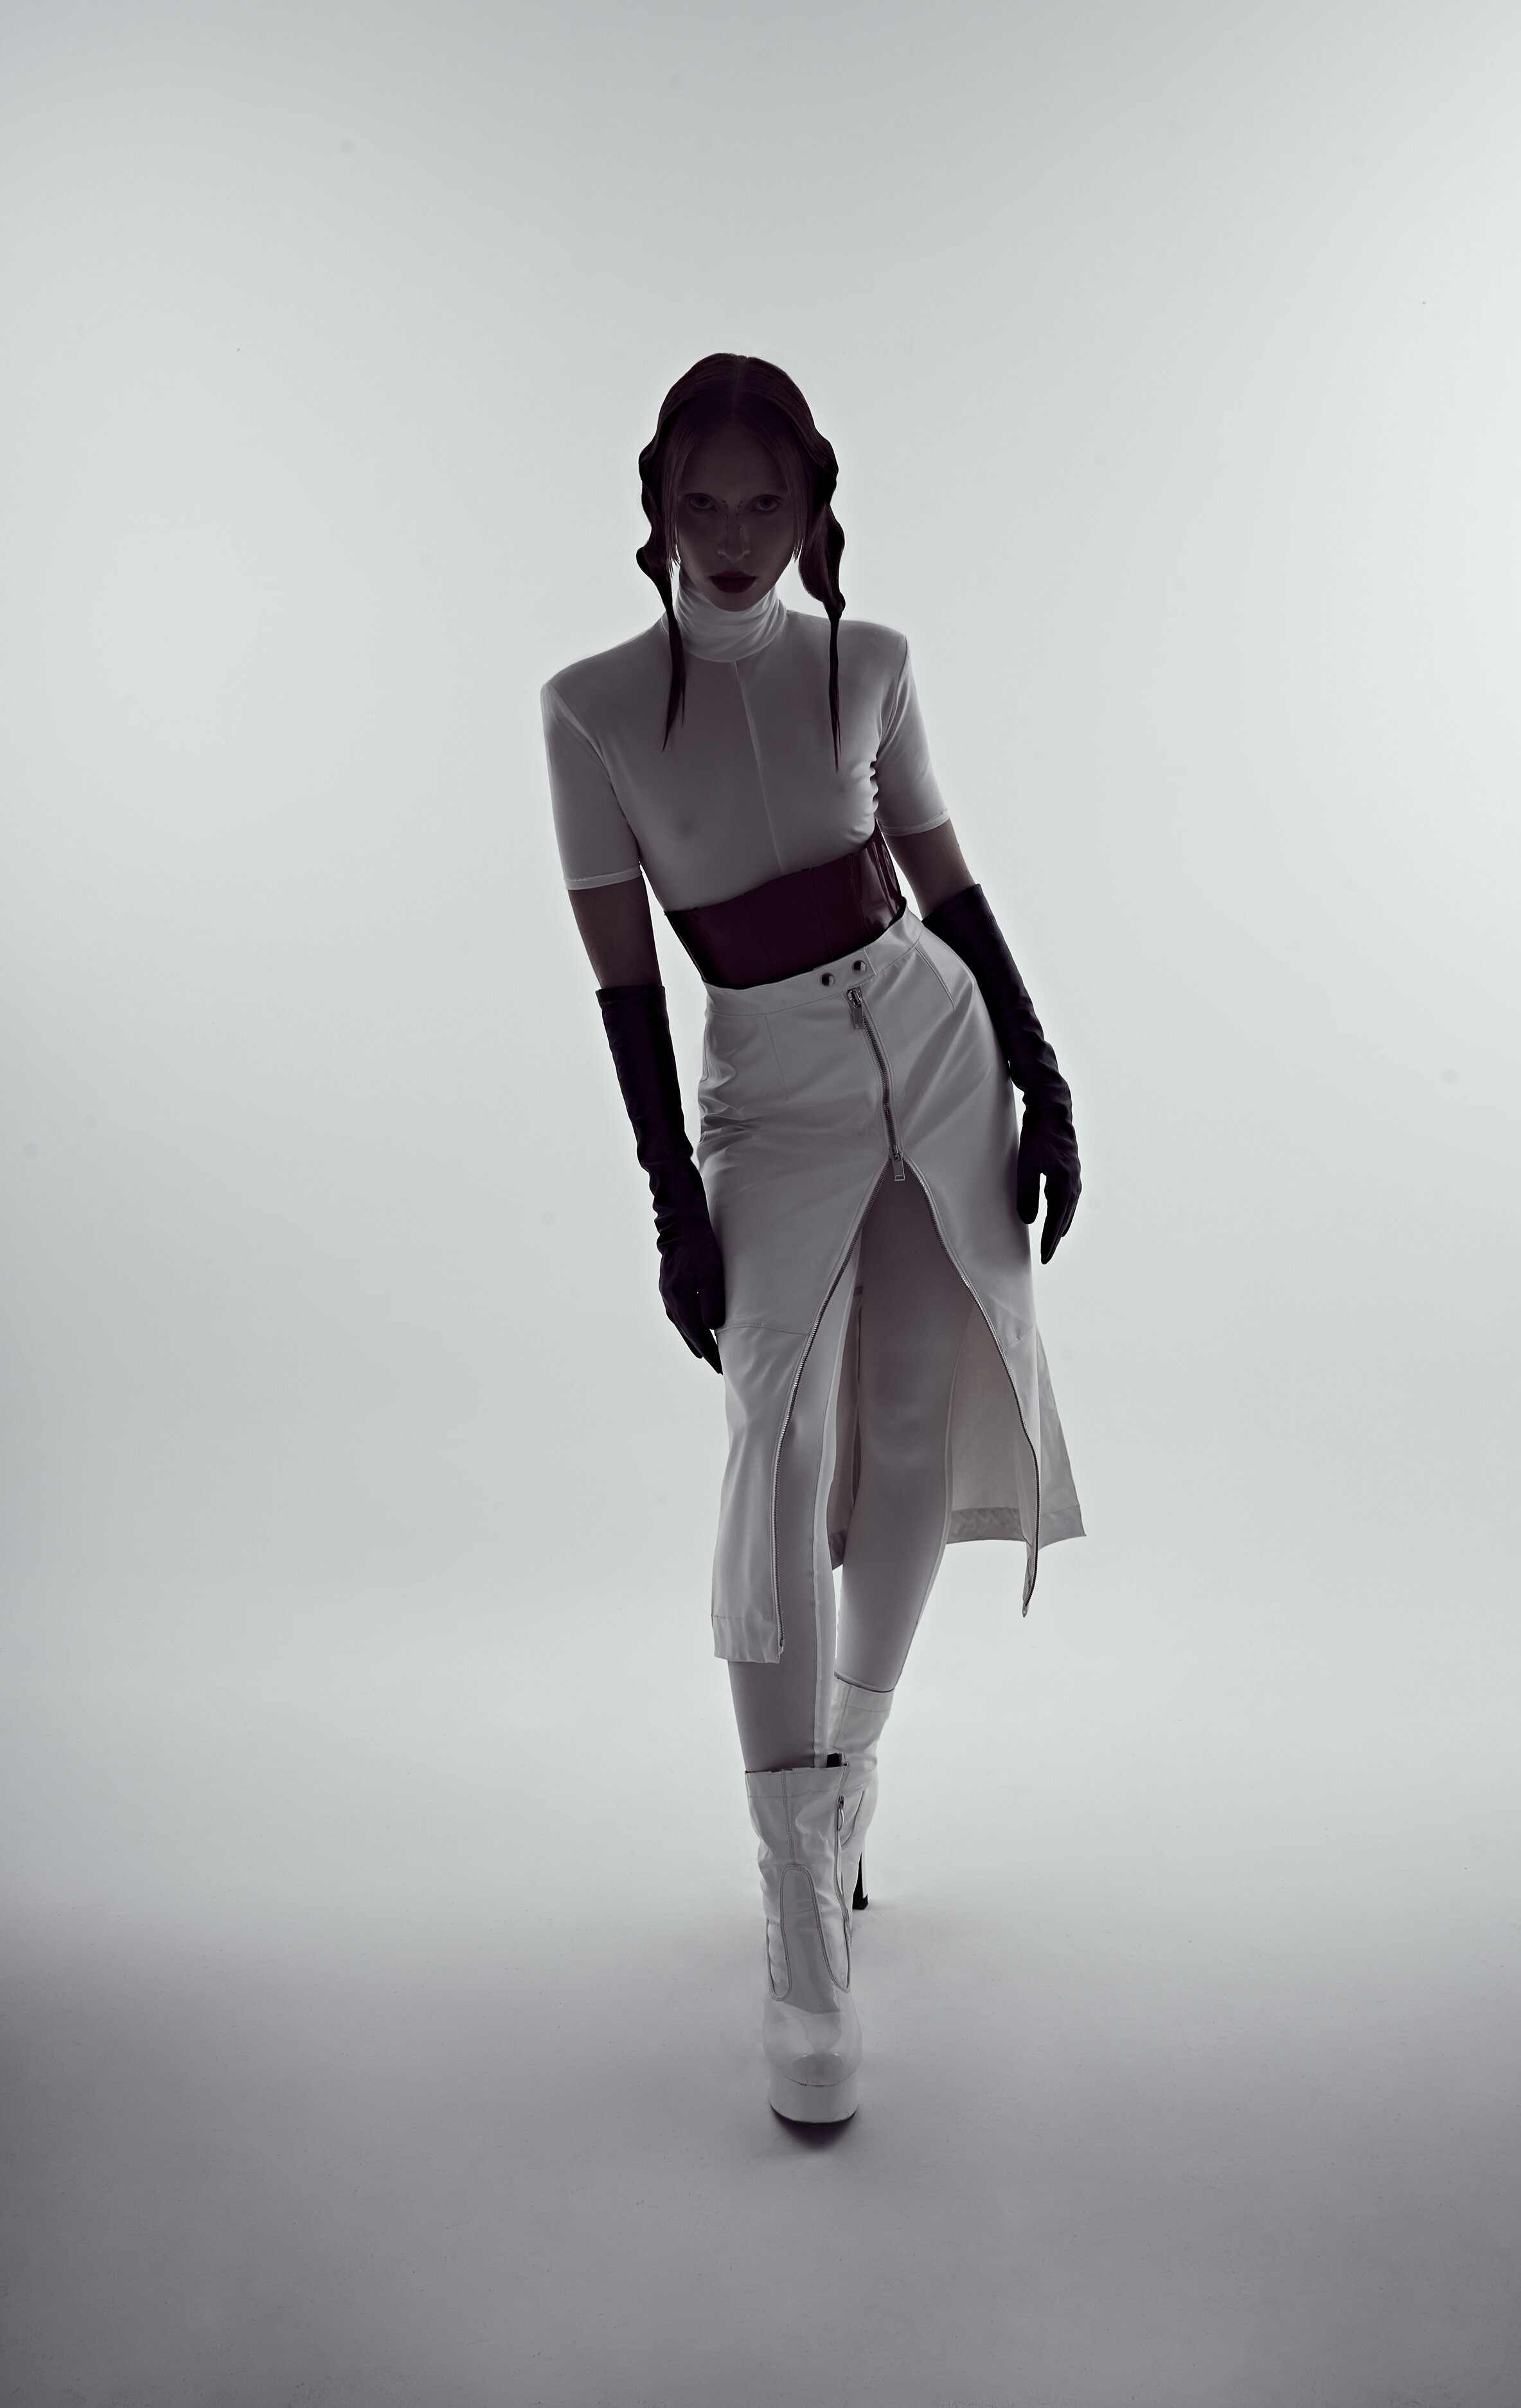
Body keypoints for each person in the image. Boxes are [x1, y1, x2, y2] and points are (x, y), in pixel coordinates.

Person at [541, 354, 1083, 2125]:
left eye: (763, 503)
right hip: (767, 1094)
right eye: (699, 502)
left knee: (915, 1421)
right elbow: (625, 981)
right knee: (772, 1448)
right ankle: (796, 1910)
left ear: (812, 506)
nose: (729, 535)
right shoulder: (589, 708)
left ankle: (842, 1788)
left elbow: (948, 879)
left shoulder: (873, 660)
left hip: (935, 1047)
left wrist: (1044, 1075)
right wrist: (666, 1197)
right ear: (653, 505)